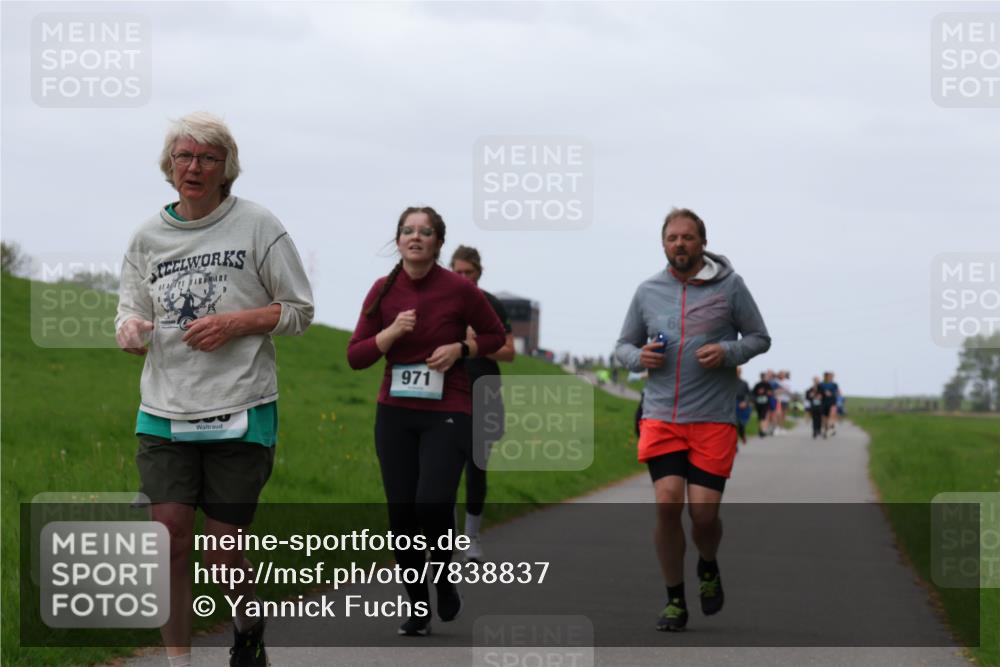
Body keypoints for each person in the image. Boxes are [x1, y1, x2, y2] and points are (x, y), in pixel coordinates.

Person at [115, 112, 314, 667]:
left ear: (227, 168)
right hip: (164, 408)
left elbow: (300, 311)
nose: (193, 166)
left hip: (241, 406)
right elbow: (130, 310)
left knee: (224, 545)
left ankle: (247, 625)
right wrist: (129, 330)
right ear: (168, 166)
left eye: (207, 158)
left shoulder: (258, 225)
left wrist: (236, 322)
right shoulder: (146, 236)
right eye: (183, 156)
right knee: (171, 537)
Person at [347, 208, 506, 637]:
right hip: (395, 411)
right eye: (407, 231)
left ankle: (444, 576)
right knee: (402, 515)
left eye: (426, 232)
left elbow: (495, 337)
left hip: (448, 410)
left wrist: (460, 349)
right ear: (398, 240)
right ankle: (418, 605)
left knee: (432, 503)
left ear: (438, 243)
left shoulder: (459, 289)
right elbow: (356, 355)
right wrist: (391, 334)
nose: (416, 237)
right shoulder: (383, 291)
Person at [615, 207, 770, 632]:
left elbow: (760, 337)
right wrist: (637, 357)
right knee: (667, 503)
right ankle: (674, 600)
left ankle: (707, 564)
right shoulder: (648, 291)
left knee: (703, 515)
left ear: (702, 242)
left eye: (687, 237)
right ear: (663, 244)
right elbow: (623, 345)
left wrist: (728, 352)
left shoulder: (730, 287)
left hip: (713, 417)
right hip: (661, 414)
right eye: (672, 238)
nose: (679, 244)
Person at [450, 245, 515, 563]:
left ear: (479, 273)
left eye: (469, 273)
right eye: (458, 272)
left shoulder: (491, 305)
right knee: (443, 469)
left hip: (485, 395)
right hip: (448, 395)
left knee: (477, 469)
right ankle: (444, 539)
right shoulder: (441, 303)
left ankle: (471, 538)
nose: (463, 278)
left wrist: (475, 344)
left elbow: (509, 352)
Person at [751, 372, 773, 438]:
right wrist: (759, 393)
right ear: (763, 377)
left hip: (765, 403)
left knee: (763, 416)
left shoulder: (767, 384)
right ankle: (761, 430)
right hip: (759, 403)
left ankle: (762, 430)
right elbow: (753, 393)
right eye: (766, 377)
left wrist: (765, 392)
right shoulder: (758, 385)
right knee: (760, 417)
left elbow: (770, 393)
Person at [819, 371, 841, 437]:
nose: (830, 377)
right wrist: (823, 393)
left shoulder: (834, 384)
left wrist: (833, 394)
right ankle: (826, 429)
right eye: (829, 376)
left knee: (831, 416)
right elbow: (818, 393)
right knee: (824, 417)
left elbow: (838, 392)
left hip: (832, 402)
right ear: (825, 377)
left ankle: (829, 430)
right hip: (824, 402)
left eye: (831, 376)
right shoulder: (821, 384)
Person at [735, 367, 752, 445]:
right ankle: (734, 444)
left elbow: (749, 395)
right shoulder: (728, 383)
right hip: (731, 404)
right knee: (733, 424)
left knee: (741, 424)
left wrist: (745, 402)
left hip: (741, 404)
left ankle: (742, 436)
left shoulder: (744, 383)